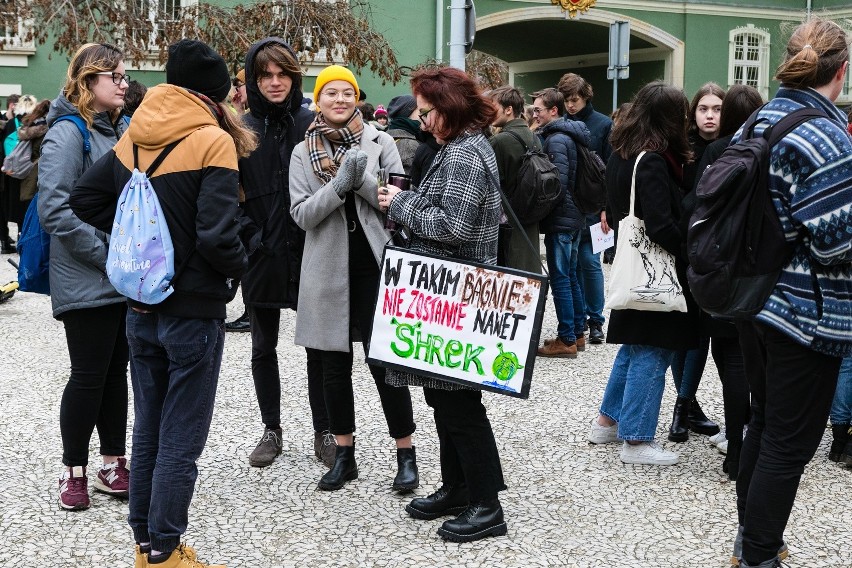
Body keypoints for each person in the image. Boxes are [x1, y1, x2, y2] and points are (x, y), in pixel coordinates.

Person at [71, 39, 254, 568]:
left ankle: (145, 547)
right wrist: (245, 271)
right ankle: (168, 553)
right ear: (215, 93)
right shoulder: (211, 140)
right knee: (181, 439)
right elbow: (218, 238)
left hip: (140, 303)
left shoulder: (134, 137)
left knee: (147, 429)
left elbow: (85, 199)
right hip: (193, 308)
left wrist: (140, 243)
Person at [728, 19, 852, 568]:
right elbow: (835, 244)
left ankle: (753, 538)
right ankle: (758, 554)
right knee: (789, 442)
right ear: (841, 71)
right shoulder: (824, 133)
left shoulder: (759, 118)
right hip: (806, 311)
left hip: (751, 300)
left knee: (763, 423)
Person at [381, 67, 507, 543]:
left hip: (456, 296)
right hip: (445, 296)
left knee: (460, 405)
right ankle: (458, 488)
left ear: (448, 109)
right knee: (444, 399)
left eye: (426, 110)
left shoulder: (467, 155)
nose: (421, 118)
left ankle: (487, 503)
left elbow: (451, 226)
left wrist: (400, 202)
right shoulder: (458, 149)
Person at [289, 65, 418, 492]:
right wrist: (338, 185)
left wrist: (359, 178)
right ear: (318, 100)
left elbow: (394, 200)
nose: (340, 100)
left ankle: (406, 454)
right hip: (326, 268)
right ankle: (344, 455)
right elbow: (303, 215)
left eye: (347, 92)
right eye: (331, 93)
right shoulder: (300, 151)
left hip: (376, 265)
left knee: (385, 364)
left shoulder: (383, 141)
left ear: (357, 97)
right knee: (332, 367)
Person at [37, 42, 129, 511]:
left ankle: (113, 461)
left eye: (125, 76)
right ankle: (73, 469)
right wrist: (105, 254)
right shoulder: (68, 133)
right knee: (90, 374)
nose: (123, 83)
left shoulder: (124, 128)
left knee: (117, 373)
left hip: (123, 273)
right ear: (88, 80)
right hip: (87, 273)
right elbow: (54, 208)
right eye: (115, 75)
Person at [587, 81, 699, 466]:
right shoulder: (651, 159)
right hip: (656, 269)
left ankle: (608, 421)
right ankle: (636, 439)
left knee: (634, 346)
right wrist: (690, 252)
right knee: (653, 349)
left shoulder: (623, 151)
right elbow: (660, 225)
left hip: (633, 266)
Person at [238, 37, 335, 469]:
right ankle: (271, 427)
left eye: (283, 74)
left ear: (295, 78)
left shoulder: (313, 124)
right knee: (263, 347)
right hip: (262, 253)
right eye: (266, 75)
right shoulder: (239, 129)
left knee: (319, 345)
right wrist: (251, 240)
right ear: (254, 80)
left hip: (310, 250)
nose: (275, 83)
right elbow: (227, 195)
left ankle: (325, 428)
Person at [683, 84, 764, 479]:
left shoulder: (720, 152)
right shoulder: (770, 148)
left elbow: (698, 206)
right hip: (762, 268)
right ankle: (752, 440)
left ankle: (736, 449)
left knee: (730, 360)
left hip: (725, 268)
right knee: (754, 361)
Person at [666, 82, 726, 444]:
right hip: (682, 250)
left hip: (713, 255)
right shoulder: (683, 149)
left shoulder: (730, 147)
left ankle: (685, 404)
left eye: (716, 109)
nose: (709, 115)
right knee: (683, 334)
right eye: (703, 108)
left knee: (702, 334)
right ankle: (684, 405)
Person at [533, 87, 591, 359]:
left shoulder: (556, 139)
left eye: (538, 110)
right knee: (571, 276)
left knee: (561, 279)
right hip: (575, 214)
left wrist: (541, 210)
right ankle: (577, 333)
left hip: (562, 218)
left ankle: (567, 338)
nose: (535, 115)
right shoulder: (571, 134)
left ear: (553, 111)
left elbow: (556, 184)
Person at [557, 73, 612, 345]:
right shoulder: (562, 124)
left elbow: (610, 170)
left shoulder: (603, 124)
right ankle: (580, 322)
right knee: (572, 266)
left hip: (594, 206)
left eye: (574, 99)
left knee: (590, 264)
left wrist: (606, 209)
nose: (570, 105)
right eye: (566, 100)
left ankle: (597, 321)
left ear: (586, 96)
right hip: (572, 205)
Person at [486, 85, 542, 273]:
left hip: (506, 222)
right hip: (530, 213)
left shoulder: (500, 141)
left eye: (493, 107)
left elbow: (491, 185)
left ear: (508, 109)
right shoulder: (533, 137)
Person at [16, 99, 51, 218]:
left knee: (27, 205)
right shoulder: (47, 128)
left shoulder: (29, 125)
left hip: (26, 167)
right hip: (38, 169)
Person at [385, 94, 421, 175]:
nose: (423, 115)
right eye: (419, 110)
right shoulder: (410, 145)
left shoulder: (385, 137)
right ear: (408, 114)